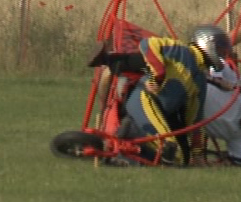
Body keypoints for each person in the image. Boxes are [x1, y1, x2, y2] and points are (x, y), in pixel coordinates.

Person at [88, 25, 233, 166]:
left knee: (182, 158)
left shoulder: (200, 79)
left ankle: (132, 139)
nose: (222, 55)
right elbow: (148, 44)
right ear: (207, 43)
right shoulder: (181, 51)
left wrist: (197, 154)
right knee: (170, 147)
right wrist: (157, 75)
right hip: (146, 99)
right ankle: (121, 156)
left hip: (162, 112)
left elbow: (195, 121)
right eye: (220, 50)